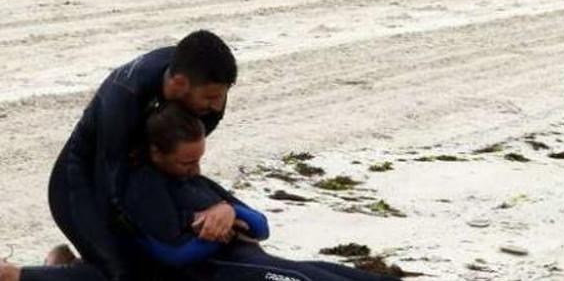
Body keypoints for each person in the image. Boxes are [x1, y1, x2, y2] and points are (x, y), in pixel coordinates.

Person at [121, 102, 394, 281]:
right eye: (187, 162)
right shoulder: (145, 186)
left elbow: (261, 225)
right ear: (156, 153)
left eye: (199, 159)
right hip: (222, 271)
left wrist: (228, 212)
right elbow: (171, 254)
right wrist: (221, 235)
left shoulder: (196, 183)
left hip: (255, 260)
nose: (196, 169)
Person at [46, 30, 238, 281]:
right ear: (179, 84)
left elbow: (179, 165)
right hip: (83, 181)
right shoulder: (124, 99)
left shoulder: (201, 79)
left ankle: (68, 265)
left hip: (137, 166)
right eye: (211, 98)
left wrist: (216, 209)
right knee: (121, 270)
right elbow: (112, 191)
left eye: (221, 96)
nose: (216, 106)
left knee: (151, 264)